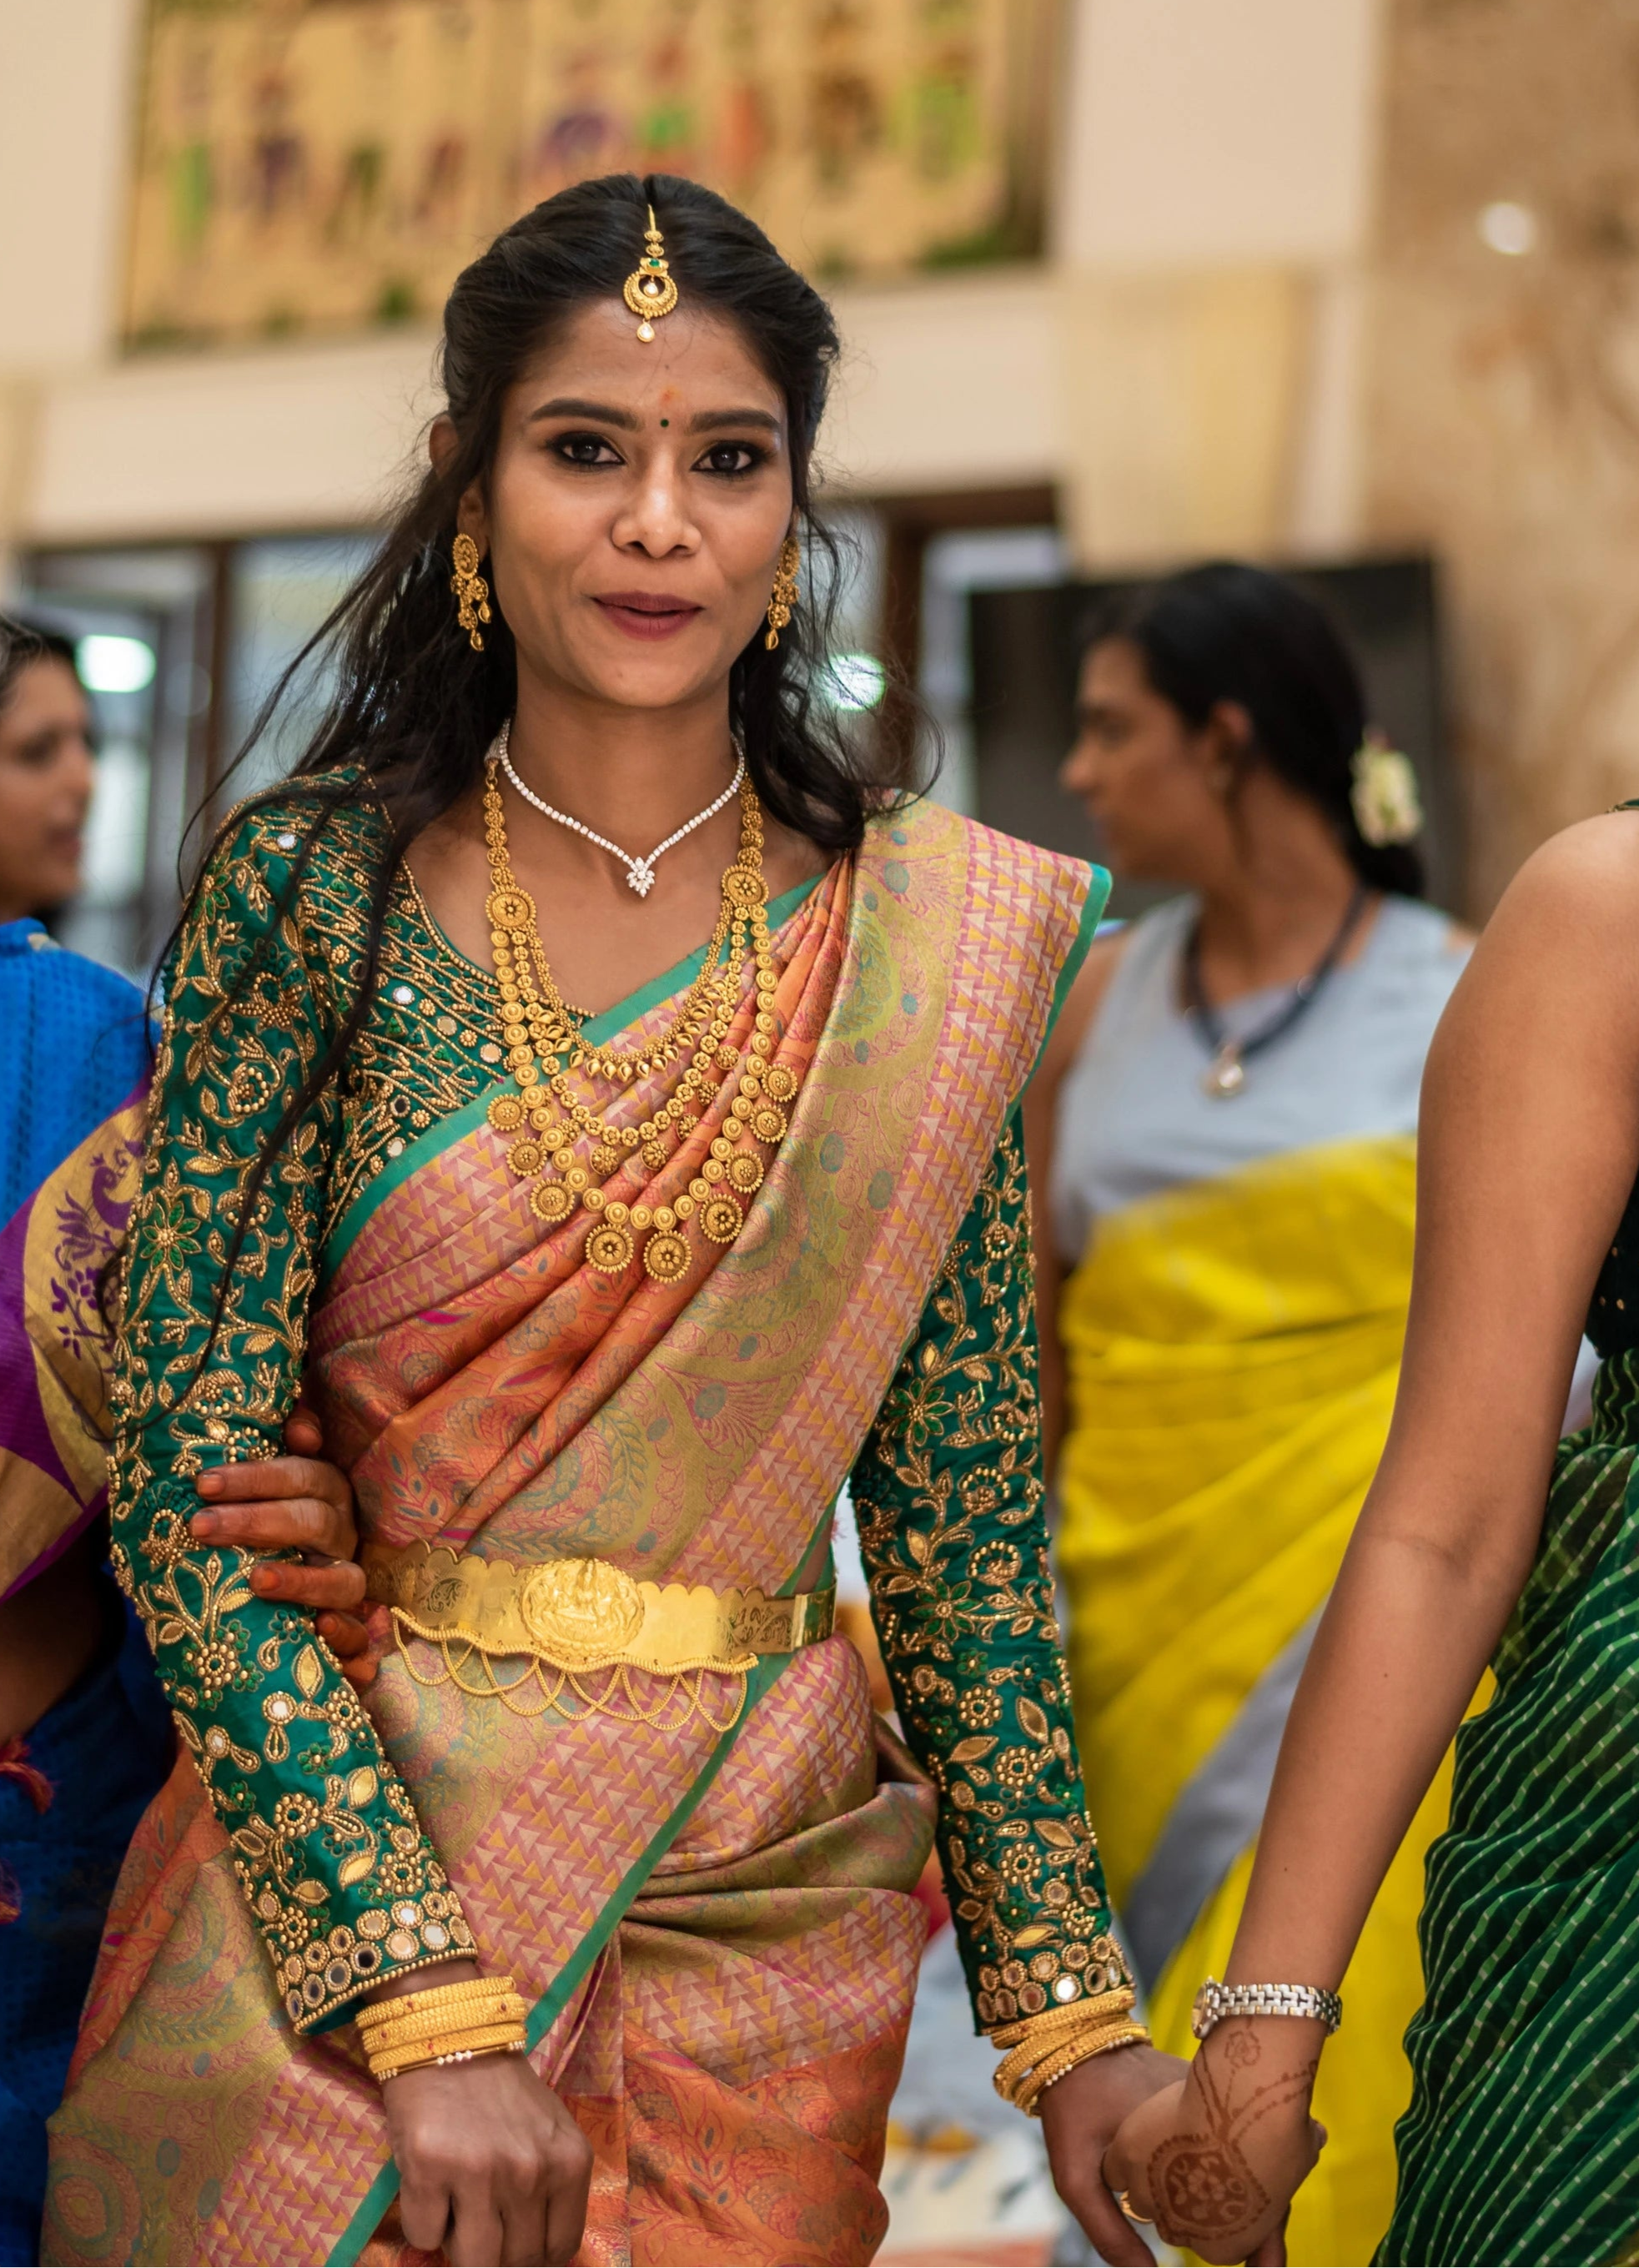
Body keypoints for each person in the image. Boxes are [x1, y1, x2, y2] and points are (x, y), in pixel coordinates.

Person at [42, 174, 1206, 2268]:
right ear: (469, 484)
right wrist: (418, 2007)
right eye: (588, 448)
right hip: (339, 1911)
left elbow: (956, 1534)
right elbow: (196, 1502)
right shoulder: (312, 892)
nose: (659, 520)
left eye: (727, 460)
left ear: (790, 510)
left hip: (758, 1916)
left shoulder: (917, 950)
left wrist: (1068, 2023)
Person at [1100, 813, 1639, 2247]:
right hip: (1607, 1892)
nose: (1088, 771)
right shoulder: (1611, 919)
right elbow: (1449, 1524)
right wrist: (1255, 2054)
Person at [1024, 565, 1471, 2264]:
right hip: (1130, 1624)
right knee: (1140, 2076)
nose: (1077, 772)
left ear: (1223, 744)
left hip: (1385, 1606)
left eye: (1110, 729)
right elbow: (1043, 1349)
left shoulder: (1462, 993)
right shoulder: (1089, 1004)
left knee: (1338, 2057)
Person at [0, 616, 376, 2266]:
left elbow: (225, 1407)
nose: (82, 780)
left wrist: (303, 1497)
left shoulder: (103, 1053)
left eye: (85, 741)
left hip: (37, 1826)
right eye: (34, 750)